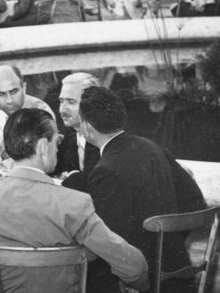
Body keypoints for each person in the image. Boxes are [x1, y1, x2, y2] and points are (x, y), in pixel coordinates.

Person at [0, 108, 149, 293]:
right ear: (43, 146)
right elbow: (133, 266)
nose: (58, 149)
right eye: (56, 142)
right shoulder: (74, 204)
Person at [79, 86, 206, 292]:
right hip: (178, 267)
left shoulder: (105, 170)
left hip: (143, 279)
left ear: (87, 127)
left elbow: (110, 244)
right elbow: (193, 199)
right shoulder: (152, 147)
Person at [0, 64, 53, 162]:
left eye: (14, 91)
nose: (9, 101)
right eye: (1, 94)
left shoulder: (41, 113)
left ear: (24, 87)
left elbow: (45, 158)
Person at [54, 72, 101, 191]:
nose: (62, 109)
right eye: (61, 101)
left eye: (71, 102)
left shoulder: (104, 138)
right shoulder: (64, 135)